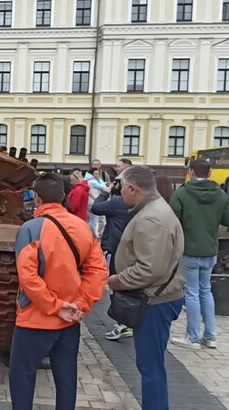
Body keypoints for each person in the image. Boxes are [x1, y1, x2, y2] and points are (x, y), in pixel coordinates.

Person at [8, 173, 107, 410]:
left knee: (22, 376)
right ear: (63, 196)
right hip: (70, 320)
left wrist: (55, 306)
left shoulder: (30, 229)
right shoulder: (83, 228)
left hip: (35, 320)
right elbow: (98, 272)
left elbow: (29, 278)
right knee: (66, 379)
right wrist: (79, 306)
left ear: (37, 198)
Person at [108, 165, 184, 410]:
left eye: (121, 188)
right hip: (157, 297)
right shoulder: (154, 210)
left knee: (150, 368)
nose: (119, 193)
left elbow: (150, 269)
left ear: (132, 188)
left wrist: (117, 280)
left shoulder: (152, 217)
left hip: (155, 301)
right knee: (151, 366)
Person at [169, 159, 229, 350]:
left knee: (191, 292)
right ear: (209, 173)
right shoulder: (220, 194)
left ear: (191, 171)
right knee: (206, 291)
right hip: (210, 249)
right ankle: (211, 336)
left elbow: (171, 219)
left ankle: (192, 337)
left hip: (189, 249)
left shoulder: (182, 193)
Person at [91, 175, 135, 341]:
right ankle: (129, 322)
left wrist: (104, 192)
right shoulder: (138, 203)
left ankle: (122, 325)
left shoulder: (117, 202)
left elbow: (96, 208)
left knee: (115, 285)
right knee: (129, 284)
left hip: (116, 248)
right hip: (133, 248)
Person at [85, 169, 106, 236]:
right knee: (94, 222)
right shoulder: (92, 182)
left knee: (97, 221)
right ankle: (94, 236)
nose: (97, 175)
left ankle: (95, 235)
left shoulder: (89, 181)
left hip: (93, 203)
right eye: (96, 174)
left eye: (98, 174)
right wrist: (100, 179)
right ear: (92, 175)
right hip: (93, 203)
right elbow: (104, 187)